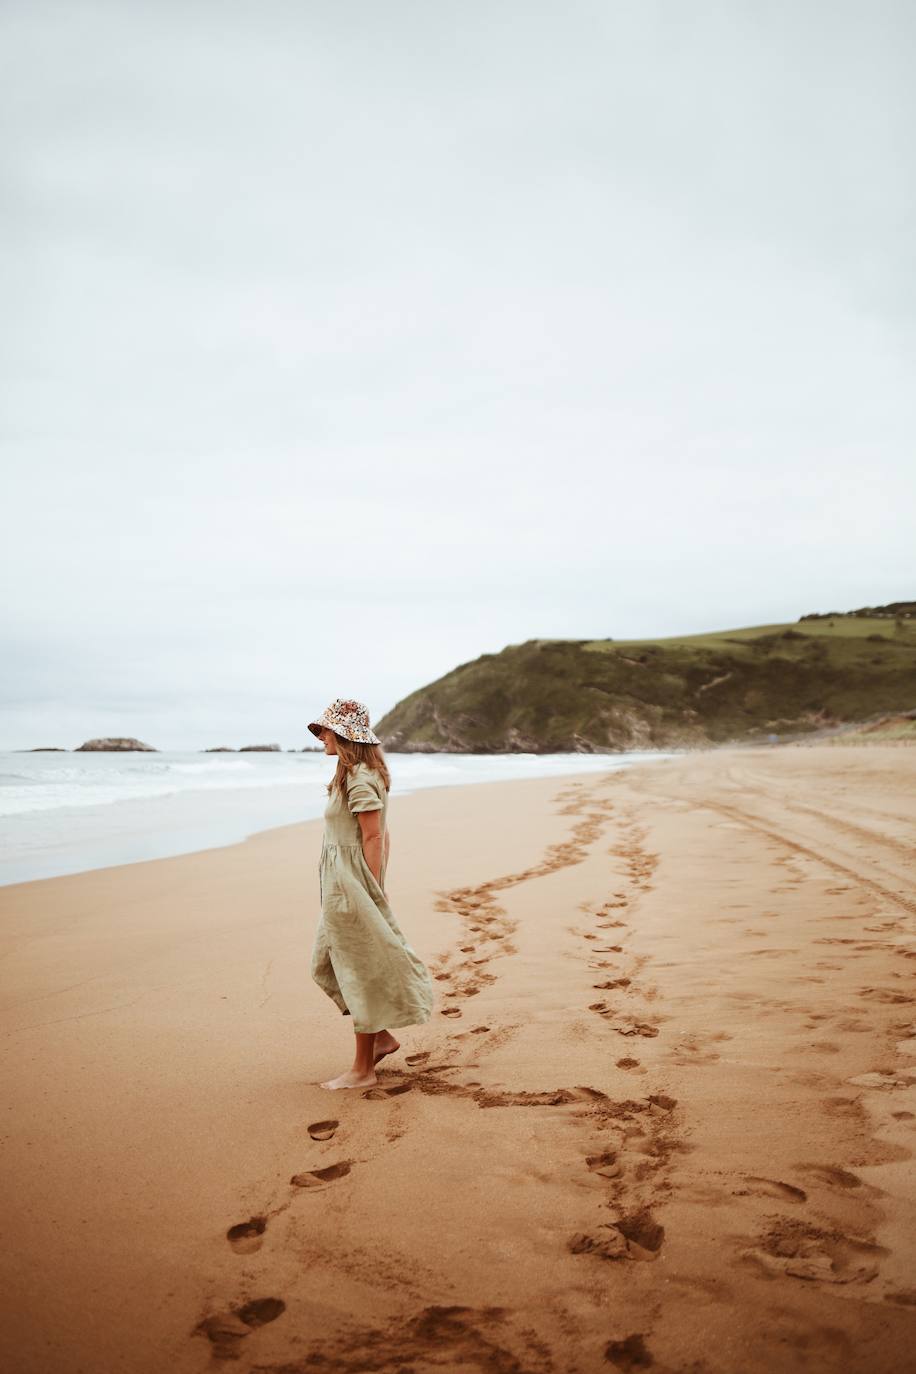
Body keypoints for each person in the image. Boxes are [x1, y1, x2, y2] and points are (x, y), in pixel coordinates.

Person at [307, 697, 435, 1090]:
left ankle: (363, 1070)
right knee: (328, 964)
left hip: (352, 886)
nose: (322, 737)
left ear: (345, 735)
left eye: (327, 730)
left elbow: (375, 835)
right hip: (340, 884)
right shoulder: (348, 775)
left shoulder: (361, 777)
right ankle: (380, 1037)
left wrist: (372, 886)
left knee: (356, 969)